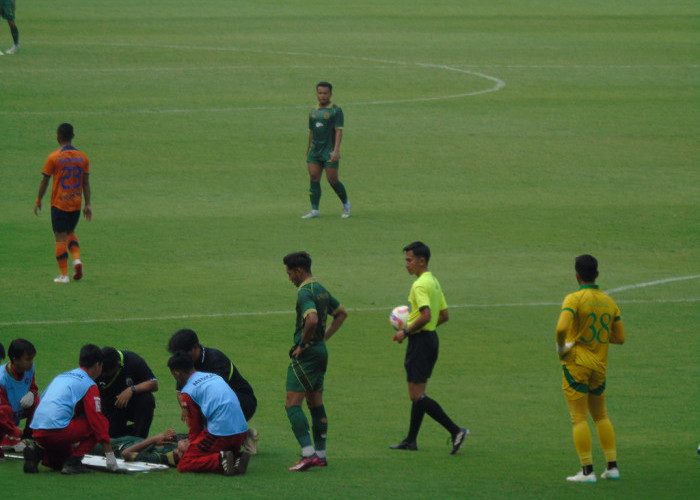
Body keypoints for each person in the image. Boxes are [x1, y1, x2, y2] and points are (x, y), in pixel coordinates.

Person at [391, 241, 468, 454]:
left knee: (416, 396)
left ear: (421, 261)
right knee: (419, 394)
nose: (406, 264)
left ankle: (456, 431)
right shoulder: (433, 281)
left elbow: (425, 315)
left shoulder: (419, 285)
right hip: (430, 339)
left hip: (420, 342)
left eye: (409, 260)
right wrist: (426, 328)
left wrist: (406, 331)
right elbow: (443, 315)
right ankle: (411, 440)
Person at [555, 254, 625, 483]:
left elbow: (561, 328)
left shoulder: (574, 299)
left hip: (576, 364)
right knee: (601, 416)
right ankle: (612, 467)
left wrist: (562, 349)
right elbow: (620, 337)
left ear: (577, 275)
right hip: (599, 367)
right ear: (597, 274)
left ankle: (587, 471)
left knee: (579, 418)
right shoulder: (609, 302)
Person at [283, 251, 348, 471]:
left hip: (307, 355)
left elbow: (311, 319)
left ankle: (307, 453)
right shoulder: (320, 289)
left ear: (299, 271)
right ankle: (320, 454)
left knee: (292, 404)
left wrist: (302, 344)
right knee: (315, 402)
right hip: (320, 352)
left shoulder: (305, 292)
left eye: (290, 272)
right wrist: (323, 338)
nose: (289, 277)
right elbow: (341, 314)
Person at [25, 344, 118, 474]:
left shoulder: (61, 377)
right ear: (98, 365)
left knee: (59, 462)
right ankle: (74, 463)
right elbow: (96, 420)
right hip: (57, 431)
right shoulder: (89, 384)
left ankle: (38, 452)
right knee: (101, 424)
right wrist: (109, 454)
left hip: (37, 431)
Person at [167, 329, 259, 454]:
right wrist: (186, 409)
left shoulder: (216, 359)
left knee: (211, 410)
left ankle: (239, 436)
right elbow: (181, 392)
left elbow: (220, 394)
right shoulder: (186, 363)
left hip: (242, 401)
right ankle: (243, 436)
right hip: (220, 402)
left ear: (195, 347)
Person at [168, 351, 249, 475]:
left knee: (185, 463)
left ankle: (220, 460)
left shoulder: (188, 392)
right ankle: (235, 457)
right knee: (216, 447)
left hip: (221, 433)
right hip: (241, 431)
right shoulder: (213, 377)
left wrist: (193, 447)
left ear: (176, 373)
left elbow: (195, 428)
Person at [34, 123, 92, 283]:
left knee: (60, 237)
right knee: (70, 232)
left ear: (58, 137)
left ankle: (64, 275)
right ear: (73, 137)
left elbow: (44, 181)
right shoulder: (83, 157)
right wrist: (88, 204)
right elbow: (86, 183)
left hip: (59, 204)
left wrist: (39, 200)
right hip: (76, 204)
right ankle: (77, 260)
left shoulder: (53, 157)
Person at [301, 81, 351, 219]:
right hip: (315, 151)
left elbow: (339, 132)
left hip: (328, 151)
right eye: (320, 93)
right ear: (316, 94)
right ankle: (314, 210)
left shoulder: (335, 110)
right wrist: (308, 148)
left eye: (325, 93)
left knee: (333, 180)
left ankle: (346, 204)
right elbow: (311, 132)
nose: (322, 96)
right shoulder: (313, 111)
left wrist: (336, 151)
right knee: (314, 178)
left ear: (330, 94)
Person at [96, 347, 158, 439]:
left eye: (107, 372)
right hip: (109, 406)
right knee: (110, 436)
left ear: (118, 365)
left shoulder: (133, 360)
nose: (103, 375)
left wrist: (132, 389)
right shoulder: (96, 367)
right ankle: (127, 436)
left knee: (147, 399)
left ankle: (138, 439)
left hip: (130, 405)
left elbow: (154, 384)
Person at [0, 339, 39, 449]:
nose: (31, 362)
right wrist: (16, 432)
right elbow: (2, 412)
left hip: (16, 412)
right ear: (15, 359)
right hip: (5, 418)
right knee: (4, 410)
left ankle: (28, 435)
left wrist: (31, 394)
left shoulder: (30, 369)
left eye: (32, 359)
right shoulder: (2, 379)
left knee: (37, 401)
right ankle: (7, 438)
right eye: (28, 359)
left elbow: (33, 387)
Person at [92, 429, 189, 466]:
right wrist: (166, 436)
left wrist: (153, 439)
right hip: (129, 440)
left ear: (182, 456)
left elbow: (126, 454)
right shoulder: (175, 447)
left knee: (84, 443)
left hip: (118, 448)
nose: (187, 441)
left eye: (189, 445)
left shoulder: (159, 458)